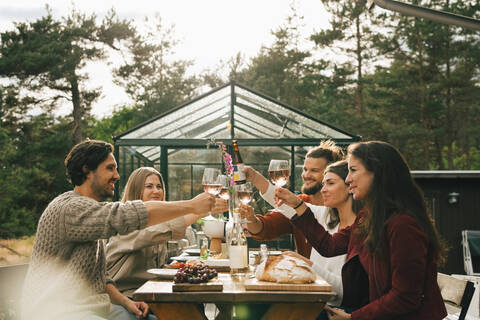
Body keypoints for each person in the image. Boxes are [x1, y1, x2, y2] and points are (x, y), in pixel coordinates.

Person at [21, 139, 216, 320]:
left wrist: (126, 302)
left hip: (97, 308)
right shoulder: (70, 209)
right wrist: (191, 206)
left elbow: (100, 278)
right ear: (87, 170)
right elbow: (129, 214)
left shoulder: (89, 211)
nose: (117, 175)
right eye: (110, 168)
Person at [274, 141, 447, 320]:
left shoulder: (404, 225)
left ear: (378, 173)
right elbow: (329, 246)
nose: (348, 179)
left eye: (353, 170)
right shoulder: (369, 217)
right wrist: (297, 204)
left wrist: (353, 317)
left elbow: (405, 297)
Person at [105, 167, 227, 297]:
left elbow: (155, 267)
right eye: (149, 186)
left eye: (159, 186)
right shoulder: (124, 222)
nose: (156, 191)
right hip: (126, 296)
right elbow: (159, 231)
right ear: (136, 190)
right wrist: (198, 209)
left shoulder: (156, 222)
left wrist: (182, 268)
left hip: (150, 289)